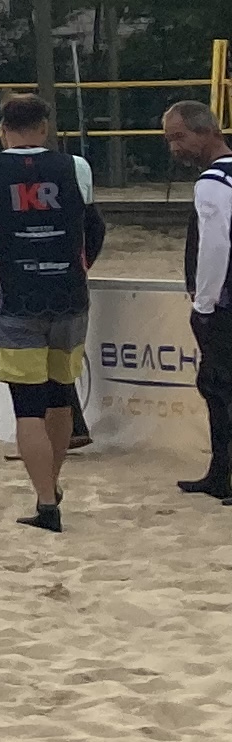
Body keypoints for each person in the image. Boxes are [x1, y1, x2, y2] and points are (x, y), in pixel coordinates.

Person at [0, 92, 99, 534]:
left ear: (3, 128)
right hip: (69, 295)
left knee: (27, 408)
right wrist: (78, 267)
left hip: (16, 298)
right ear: (45, 126)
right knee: (60, 397)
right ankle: (51, 485)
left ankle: (45, 501)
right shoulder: (75, 166)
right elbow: (93, 227)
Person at [167, 98, 232, 502]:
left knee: (219, 387)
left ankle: (221, 472)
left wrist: (204, 303)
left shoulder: (212, 181)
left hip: (223, 303)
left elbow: (214, 246)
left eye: (179, 137)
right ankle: (218, 471)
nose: (175, 147)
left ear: (207, 132)